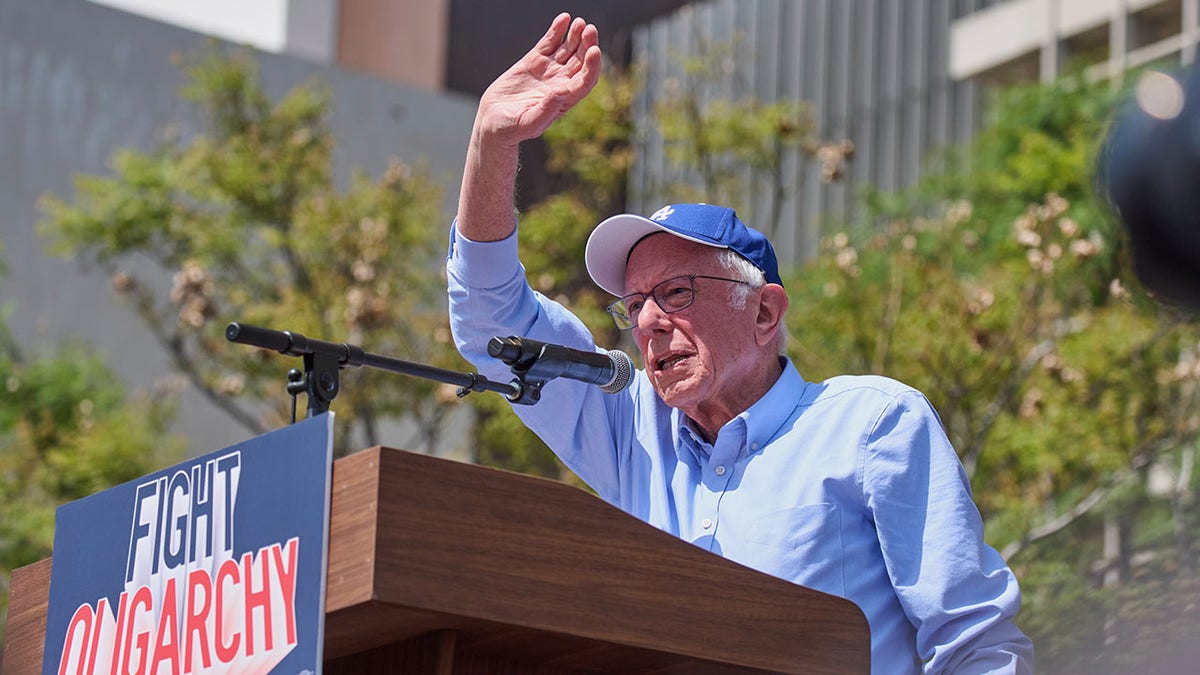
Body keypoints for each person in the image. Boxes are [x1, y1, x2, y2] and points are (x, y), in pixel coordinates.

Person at [445, 13, 1034, 674]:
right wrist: (492, 141)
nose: (647, 322)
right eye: (634, 305)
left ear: (764, 312)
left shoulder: (870, 425)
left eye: (676, 293)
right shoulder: (632, 433)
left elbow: (977, 644)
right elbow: (492, 324)